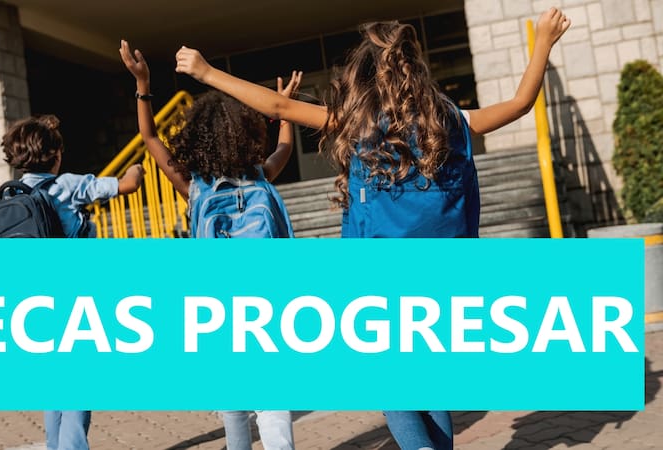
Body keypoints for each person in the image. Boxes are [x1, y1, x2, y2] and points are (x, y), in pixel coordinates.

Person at [173, 7, 570, 450]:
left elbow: (278, 106)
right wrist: (543, 42)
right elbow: (520, 103)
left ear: (366, 76)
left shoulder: (359, 124)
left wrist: (207, 72)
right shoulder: (451, 120)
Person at [0, 114, 146, 450]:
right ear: (56, 154)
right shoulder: (68, 186)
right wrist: (137, 169)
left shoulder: (6, 202)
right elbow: (127, 185)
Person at [119, 40, 299, 450]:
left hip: (216, 305)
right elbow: (285, 148)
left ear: (196, 140)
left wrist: (143, 83)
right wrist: (283, 110)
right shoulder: (260, 177)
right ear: (246, 136)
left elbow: (149, 137)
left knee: (232, 400)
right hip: (266, 299)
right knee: (273, 397)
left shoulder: (195, 187)